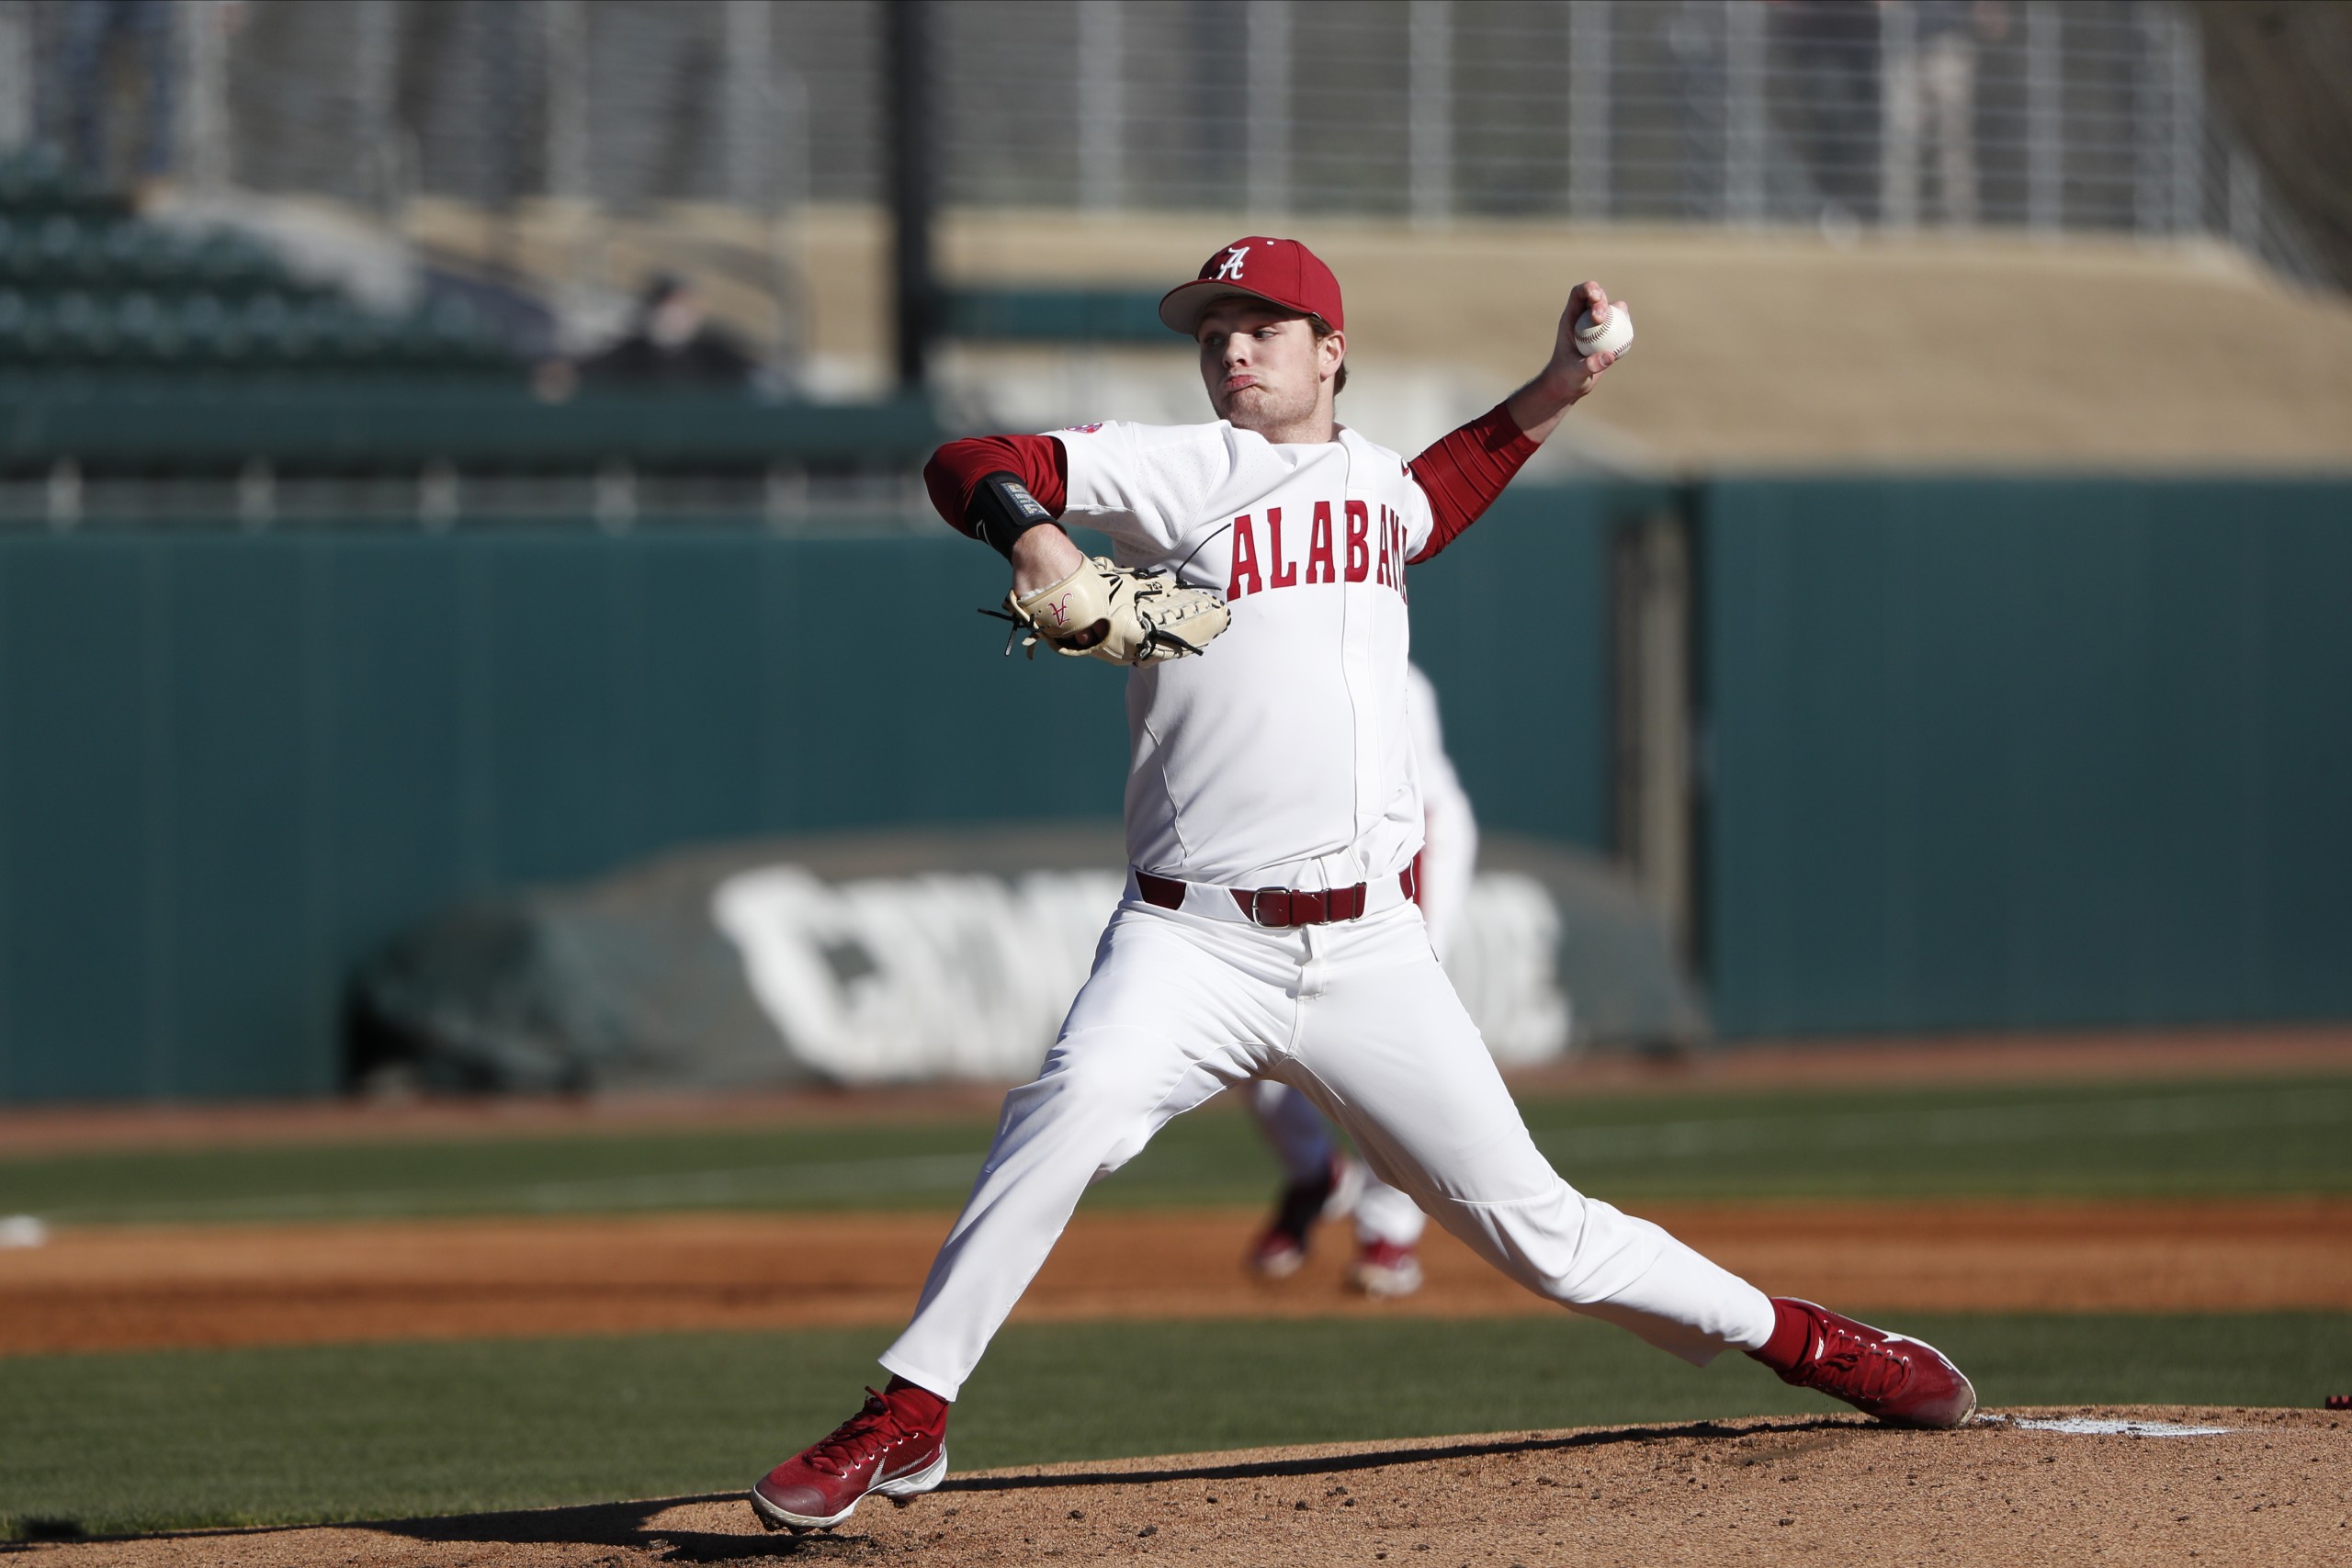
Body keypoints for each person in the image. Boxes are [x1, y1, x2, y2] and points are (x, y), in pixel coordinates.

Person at [748, 237, 1975, 1535]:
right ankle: (913, 1407)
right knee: (1064, 1108)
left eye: (1263, 325)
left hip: (1370, 951)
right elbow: (966, 461)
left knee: (1543, 1232)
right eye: (1213, 327)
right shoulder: (1176, 468)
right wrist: (1035, 531)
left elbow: (1447, 483)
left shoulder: (1378, 487)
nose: (1231, 345)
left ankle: (1807, 1338)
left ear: (1331, 350)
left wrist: (1557, 385)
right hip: (1190, 942)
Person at [1244, 664, 1470, 1299]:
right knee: (1250, 1031)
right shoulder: (1267, 659)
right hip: (1292, 853)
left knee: (1395, 1040)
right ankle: (1314, 1174)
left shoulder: (1394, 676)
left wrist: (1411, 940)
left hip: (1408, 850)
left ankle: (1387, 1233)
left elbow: (1414, 816)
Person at [578, 272, 757, 388]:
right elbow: (589, 371)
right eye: (669, 303)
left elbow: (751, 374)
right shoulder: (632, 354)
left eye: (684, 304)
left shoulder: (713, 351)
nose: (676, 312)